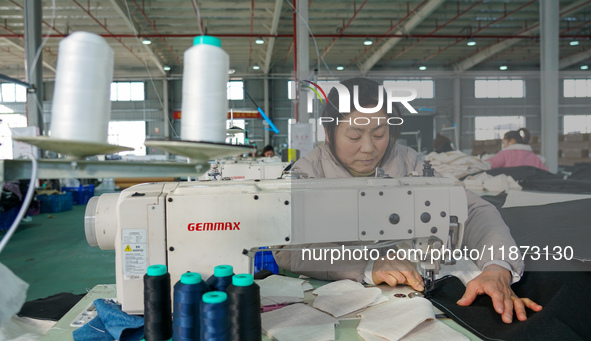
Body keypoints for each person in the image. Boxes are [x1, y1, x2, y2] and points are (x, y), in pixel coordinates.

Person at [273, 78, 542, 324]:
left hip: (404, 294)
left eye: (379, 135)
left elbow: (472, 210)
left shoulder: (407, 162)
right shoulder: (307, 174)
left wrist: (497, 266)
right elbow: (287, 248)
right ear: (328, 132)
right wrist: (367, 265)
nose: (369, 148)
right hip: (337, 303)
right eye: (354, 136)